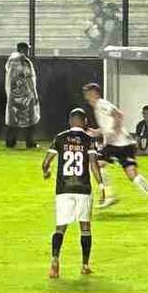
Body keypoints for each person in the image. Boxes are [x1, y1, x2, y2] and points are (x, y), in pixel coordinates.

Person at [82, 83, 148, 213]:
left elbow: (118, 115)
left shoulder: (101, 104)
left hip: (117, 143)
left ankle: (109, 195)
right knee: (132, 174)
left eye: (88, 93)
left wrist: (112, 131)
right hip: (124, 143)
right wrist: (98, 132)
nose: (86, 97)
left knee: (97, 164)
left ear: (94, 93)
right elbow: (109, 123)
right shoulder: (99, 107)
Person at [41, 108, 101, 279]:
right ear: (84, 121)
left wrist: (46, 172)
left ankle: (54, 260)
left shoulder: (60, 138)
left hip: (63, 189)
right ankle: (84, 265)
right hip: (83, 188)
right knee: (85, 227)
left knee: (60, 227)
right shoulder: (89, 139)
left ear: (70, 121)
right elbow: (93, 164)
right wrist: (102, 185)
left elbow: (45, 162)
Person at [4, 42, 40, 148]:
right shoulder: (25, 61)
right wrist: (34, 94)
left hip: (12, 94)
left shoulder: (10, 60)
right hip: (25, 95)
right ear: (24, 50)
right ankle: (30, 142)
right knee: (30, 119)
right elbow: (28, 78)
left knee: (12, 120)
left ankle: (10, 142)